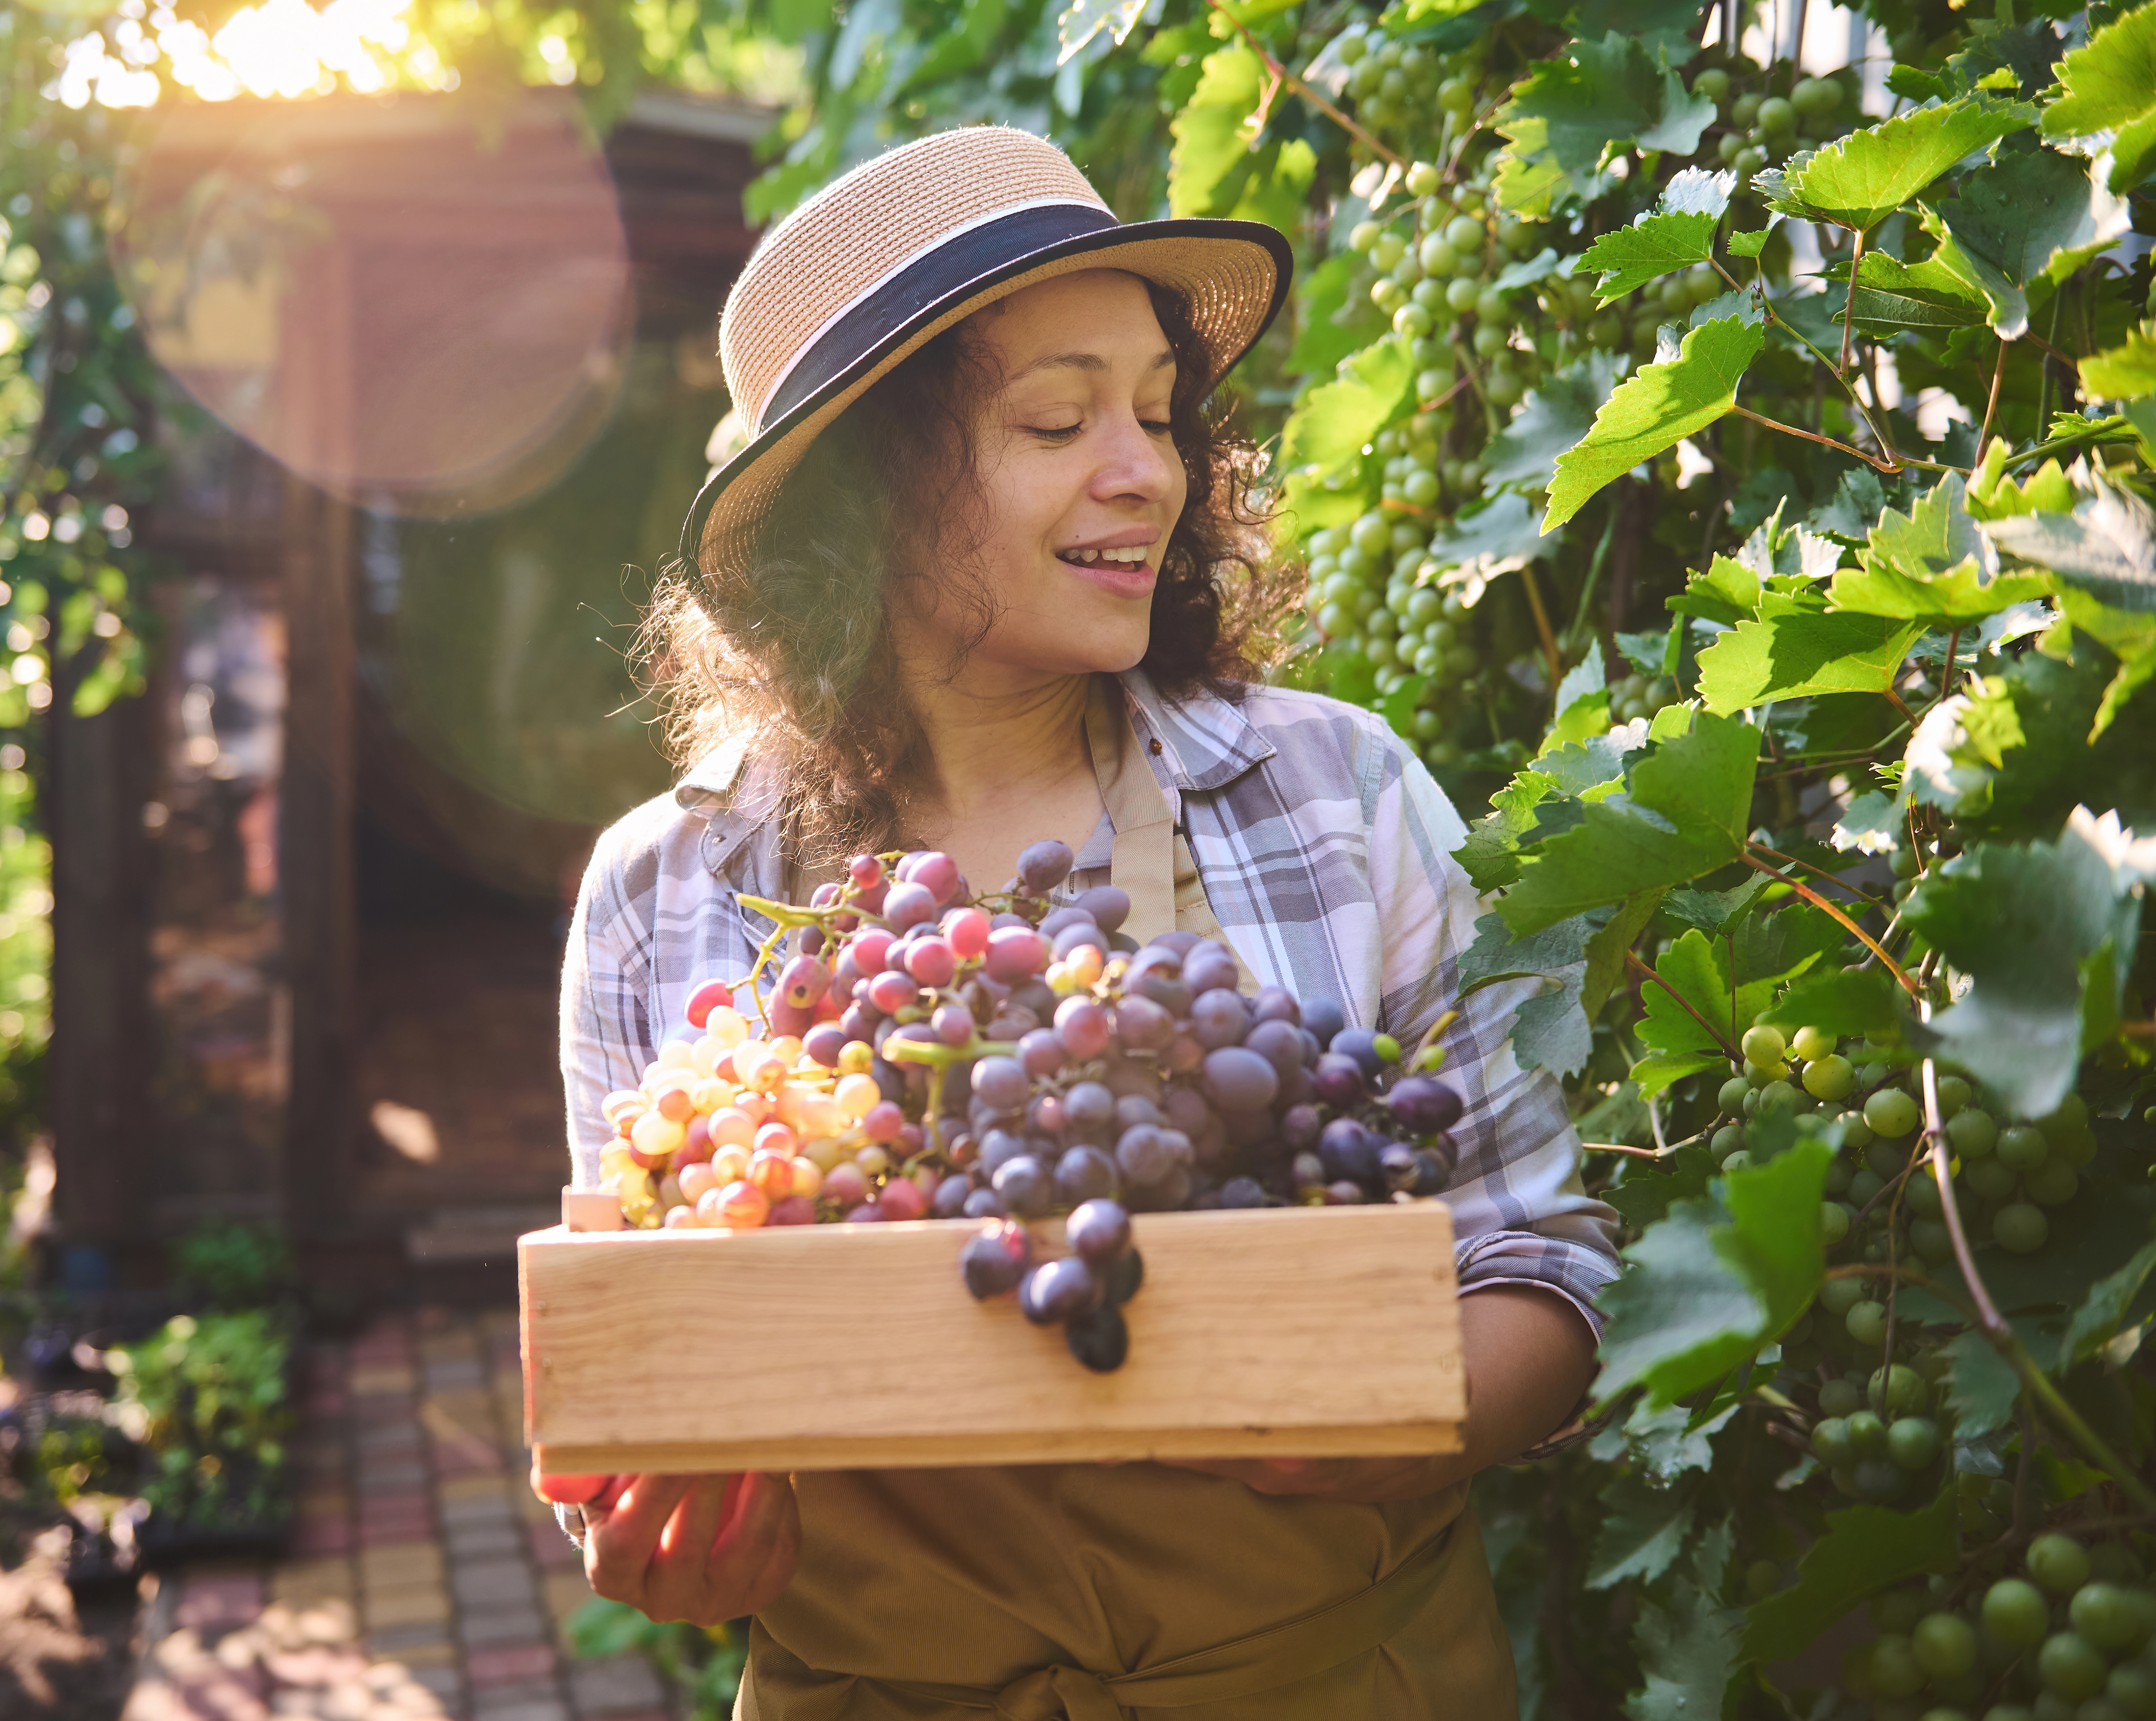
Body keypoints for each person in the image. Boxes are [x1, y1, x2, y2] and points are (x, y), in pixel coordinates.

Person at [552, 125, 1619, 1718]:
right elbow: (620, 1384)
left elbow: (1541, 1259)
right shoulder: (665, 891)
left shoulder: (1333, 792)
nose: (1147, 472)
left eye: (1158, 414)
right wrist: (652, 1533)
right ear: (861, 494)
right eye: (1057, 419)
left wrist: (1401, 1418)